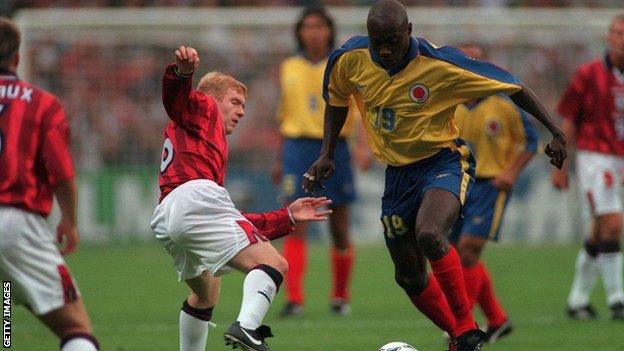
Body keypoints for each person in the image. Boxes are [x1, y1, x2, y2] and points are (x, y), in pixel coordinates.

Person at [302, 1, 566, 350]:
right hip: (396, 176)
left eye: (392, 41)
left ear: (409, 32)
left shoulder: (441, 64)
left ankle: (468, 326)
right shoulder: (349, 58)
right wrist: (327, 152)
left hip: (442, 162)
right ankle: (460, 337)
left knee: (430, 233)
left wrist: (556, 132)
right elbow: (337, 99)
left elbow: (514, 85)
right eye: (377, 40)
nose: (384, 49)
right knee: (408, 275)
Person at [149, 45, 333, 351]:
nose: (242, 111)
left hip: (168, 216)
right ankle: (247, 328)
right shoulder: (203, 109)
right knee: (274, 264)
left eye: (243, 105)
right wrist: (181, 73)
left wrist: (286, 217)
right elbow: (175, 98)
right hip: (193, 201)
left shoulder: (201, 143)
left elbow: (234, 220)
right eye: (235, 102)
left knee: (207, 291)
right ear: (211, 101)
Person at [0, 18, 99, 351]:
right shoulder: (40, 103)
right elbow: (62, 172)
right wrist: (69, 219)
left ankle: (6, 336)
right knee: (76, 326)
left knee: (6, 298)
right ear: (17, 59)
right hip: (16, 222)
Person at [272, 6, 371, 317]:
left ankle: (340, 297)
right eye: (307, 27)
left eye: (319, 26)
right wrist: (279, 156)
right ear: (299, 32)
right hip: (297, 147)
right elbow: (285, 114)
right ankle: (295, 299)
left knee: (339, 225)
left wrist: (362, 146)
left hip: (335, 147)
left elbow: (360, 107)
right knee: (295, 223)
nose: (313, 32)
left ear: (329, 30)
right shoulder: (288, 66)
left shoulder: (343, 63)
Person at [449, 43, 538, 343]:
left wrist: (510, 172)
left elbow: (530, 141)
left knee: (469, 249)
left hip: (490, 185)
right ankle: (497, 320)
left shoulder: (504, 104)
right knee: (459, 254)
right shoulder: (450, 102)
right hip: (457, 184)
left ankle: (463, 327)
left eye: (476, 59)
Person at [552, 13, 624, 321]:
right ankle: (617, 299)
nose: (623, 39)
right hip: (595, 159)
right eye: (619, 33)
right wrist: (560, 166)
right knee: (613, 224)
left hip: (620, 160)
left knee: (598, 235)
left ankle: (577, 300)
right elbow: (568, 120)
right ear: (608, 37)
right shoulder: (588, 74)